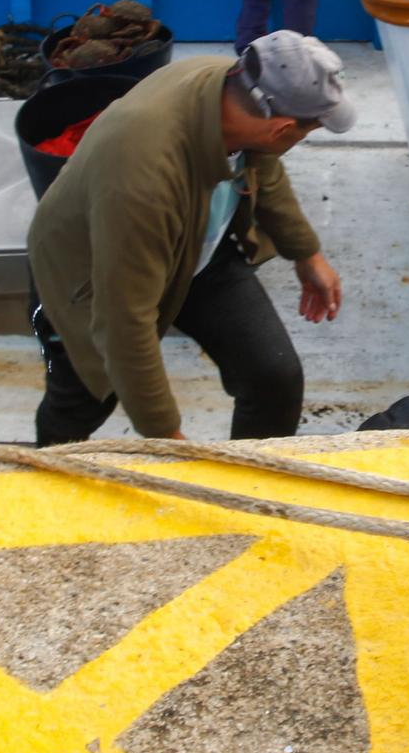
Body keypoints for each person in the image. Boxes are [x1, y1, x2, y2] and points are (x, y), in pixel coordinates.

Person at [26, 31, 352, 444]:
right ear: (282, 128)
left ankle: (256, 485)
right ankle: (43, 476)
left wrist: (307, 254)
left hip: (196, 249)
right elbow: (123, 319)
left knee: (273, 376)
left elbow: (263, 167)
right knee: (82, 400)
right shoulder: (143, 178)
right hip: (86, 277)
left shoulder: (226, 82)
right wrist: (167, 437)